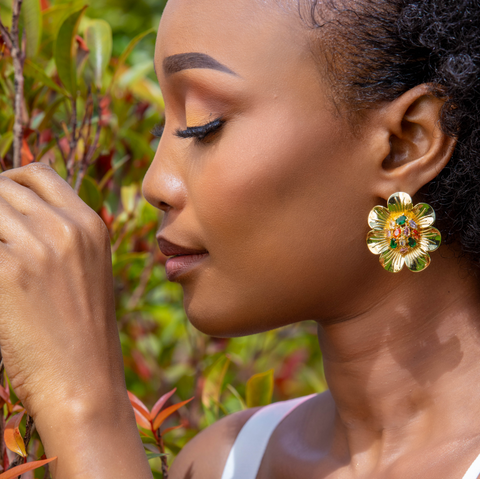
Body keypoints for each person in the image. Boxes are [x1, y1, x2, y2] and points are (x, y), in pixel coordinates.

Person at [0, 0, 479, 477]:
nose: (155, 185)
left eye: (204, 126)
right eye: (158, 129)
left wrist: (84, 409)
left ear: (406, 142)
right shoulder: (221, 462)